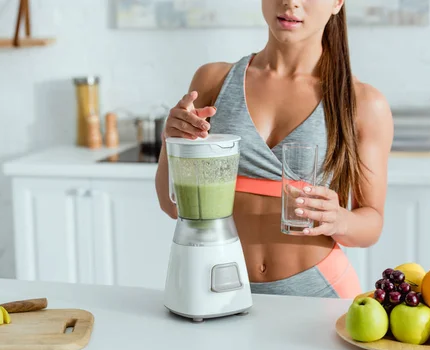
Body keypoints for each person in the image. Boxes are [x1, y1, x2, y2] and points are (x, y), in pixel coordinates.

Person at [155, 0, 394, 299]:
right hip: (217, 285)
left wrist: (339, 219)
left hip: (317, 292)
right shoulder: (213, 81)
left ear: (337, 3)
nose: (291, 2)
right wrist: (172, 137)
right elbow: (172, 204)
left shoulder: (362, 103)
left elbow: (371, 223)